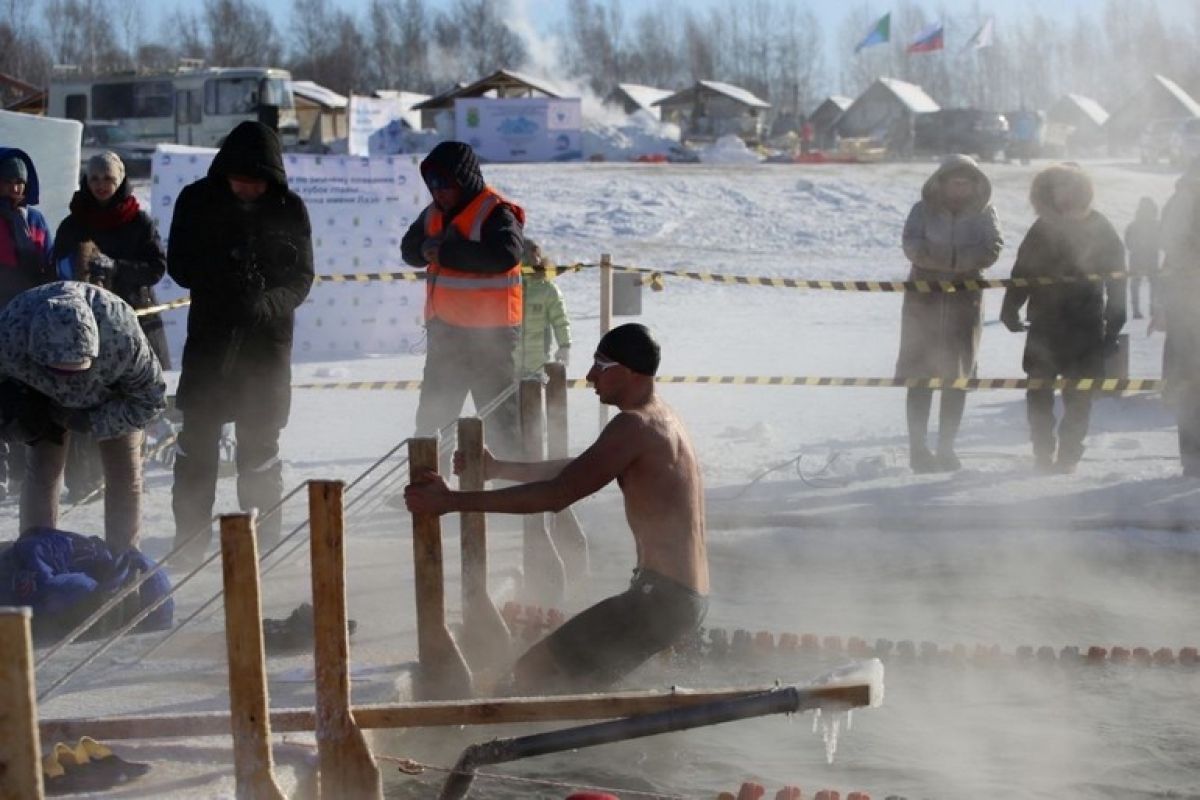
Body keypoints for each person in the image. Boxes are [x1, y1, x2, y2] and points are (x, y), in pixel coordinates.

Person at [405, 323, 709, 693]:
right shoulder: (660, 418)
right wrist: (498, 469)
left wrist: (450, 502)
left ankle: (485, 748)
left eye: (601, 364)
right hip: (680, 600)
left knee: (531, 673)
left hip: (659, 601)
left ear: (630, 372)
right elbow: (583, 466)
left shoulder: (634, 425)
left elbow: (556, 495)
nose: (590, 375)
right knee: (570, 687)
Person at [167, 121, 314, 561]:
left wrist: (265, 304)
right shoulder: (197, 200)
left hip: (266, 348)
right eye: (239, 182)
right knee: (197, 446)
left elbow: (301, 278)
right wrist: (223, 277)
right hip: (211, 343)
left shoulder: (291, 208)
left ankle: (264, 543)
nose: (247, 190)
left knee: (260, 449)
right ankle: (190, 543)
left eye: (256, 184)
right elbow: (179, 264)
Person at [0, 281, 166, 552]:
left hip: (110, 399)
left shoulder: (122, 335)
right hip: (42, 399)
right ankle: (35, 559)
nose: (69, 381)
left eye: (76, 370)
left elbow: (152, 399)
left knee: (124, 474)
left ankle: (124, 563)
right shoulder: (10, 333)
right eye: (62, 371)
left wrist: (96, 422)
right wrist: (15, 415)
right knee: (43, 471)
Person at [52, 151, 171, 503]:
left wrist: (115, 267)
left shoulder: (138, 221)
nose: (101, 185)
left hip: (134, 323)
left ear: (120, 183)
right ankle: (84, 480)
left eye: (108, 179)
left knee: (130, 399)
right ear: (86, 183)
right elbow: (54, 267)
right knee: (86, 402)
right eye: (95, 179)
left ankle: (128, 474)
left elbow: (156, 267)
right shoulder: (74, 223)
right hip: (85, 328)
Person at [1000, 164, 1126, 473]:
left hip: (1086, 326)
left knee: (1079, 396)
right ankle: (1042, 450)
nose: (1063, 193)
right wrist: (1011, 306)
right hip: (1045, 325)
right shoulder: (1042, 228)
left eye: (1069, 186)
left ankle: (1069, 453)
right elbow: (1023, 271)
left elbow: (1118, 281)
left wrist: (1114, 326)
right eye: (1056, 188)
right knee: (1038, 391)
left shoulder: (1101, 227)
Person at [401, 141, 524, 457]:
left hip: (491, 338)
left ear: (464, 180)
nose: (438, 191)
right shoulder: (433, 213)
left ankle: (513, 491)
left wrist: (445, 252)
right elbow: (408, 249)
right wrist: (424, 249)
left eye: (445, 184)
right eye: (432, 185)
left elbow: (506, 254)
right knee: (433, 419)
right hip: (447, 335)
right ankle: (427, 488)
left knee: (501, 423)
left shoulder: (495, 211)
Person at [896, 155, 1003, 472]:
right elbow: (911, 244)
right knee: (920, 377)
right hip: (923, 304)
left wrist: (953, 262)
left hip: (963, 305)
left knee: (955, 378)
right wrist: (951, 262)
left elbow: (992, 247)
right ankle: (918, 450)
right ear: (941, 183)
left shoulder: (986, 213)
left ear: (975, 185)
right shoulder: (922, 210)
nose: (959, 188)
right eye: (954, 182)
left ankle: (946, 449)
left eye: (966, 183)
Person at [0, 149, 54, 501]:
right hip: (1, 314)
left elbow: (49, 261)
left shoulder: (34, 220)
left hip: (31, 316)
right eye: (7, 181)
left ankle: (23, 471)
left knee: (28, 393)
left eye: (20, 181)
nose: (14, 188)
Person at [1158, 159, 1200, 476]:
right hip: (1187, 307)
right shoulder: (1181, 204)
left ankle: (1192, 459)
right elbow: (1170, 250)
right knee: (1190, 385)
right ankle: (1193, 459)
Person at [515, 238, 571, 377]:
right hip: (510, 365)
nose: (535, 260)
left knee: (533, 397)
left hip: (537, 364)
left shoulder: (548, 290)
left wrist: (564, 346)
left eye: (536, 256)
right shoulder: (508, 287)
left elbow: (560, 320)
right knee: (510, 398)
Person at [1123, 197, 1160, 321]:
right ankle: (1152, 309)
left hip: (1137, 258)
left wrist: (1136, 248)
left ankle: (1136, 310)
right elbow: (1163, 240)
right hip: (1150, 257)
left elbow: (1128, 242)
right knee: (1153, 284)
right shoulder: (1156, 225)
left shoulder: (1133, 225)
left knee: (1136, 284)